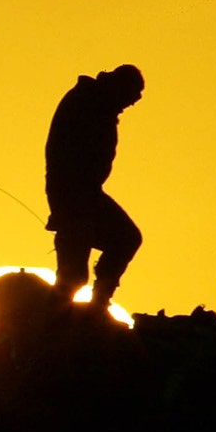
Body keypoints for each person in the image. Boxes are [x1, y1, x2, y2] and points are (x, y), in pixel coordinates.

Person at [44, 64, 144, 314]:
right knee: (74, 274)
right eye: (128, 99)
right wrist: (68, 207)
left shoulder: (96, 103)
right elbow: (65, 156)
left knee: (125, 239)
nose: (128, 106)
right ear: (119, 87)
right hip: (75, 197)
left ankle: (97, 303)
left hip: (84, 195)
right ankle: (56, 319)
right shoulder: (88, 103)